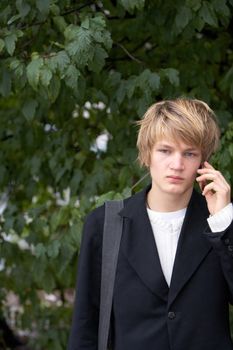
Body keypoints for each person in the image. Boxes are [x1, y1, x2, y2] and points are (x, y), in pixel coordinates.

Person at [68, 98, 233, 350]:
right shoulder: (104, 224)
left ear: (203, 162)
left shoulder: (221, 224)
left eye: (189, 153)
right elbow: (85, 325)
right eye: (165, 150)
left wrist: (223, 225)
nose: (177, 165)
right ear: (147, 154)